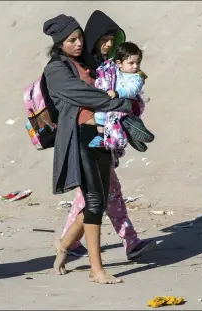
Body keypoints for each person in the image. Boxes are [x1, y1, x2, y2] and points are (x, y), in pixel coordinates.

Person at [43, 14, 132, 284]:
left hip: (100, 136)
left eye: (80, 37)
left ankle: (64, 245)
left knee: (100, 201)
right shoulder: (55, 69)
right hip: (79, 137)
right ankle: (97, 270)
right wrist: (115, 101)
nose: (79, 43)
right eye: (71, 40)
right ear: (59, 43)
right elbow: (78, 93)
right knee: (94, 200)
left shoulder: (86, 63)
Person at [61, 10, 156, 260]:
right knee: (104, 192)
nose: (108, 46)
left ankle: (69, 242)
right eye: (104, 41)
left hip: (106, 137)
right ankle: (129, 241)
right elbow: (91, 102)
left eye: (112, 42)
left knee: (92, 193)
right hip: (90, 137)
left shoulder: (112, 67)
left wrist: (130, 104)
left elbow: (134, 95)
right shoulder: (86, 68)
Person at [88, 41, 148, 148]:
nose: (135, 66)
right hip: (115, 101)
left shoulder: (136, 77)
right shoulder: (114, 71)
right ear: (119, 63)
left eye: (138, 63)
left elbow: (132, 90)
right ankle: (101, 136)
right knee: (99, 113)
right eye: (131, 63)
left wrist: (118, 93)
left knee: (115, 116)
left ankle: (126, 135)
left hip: (130, 104)